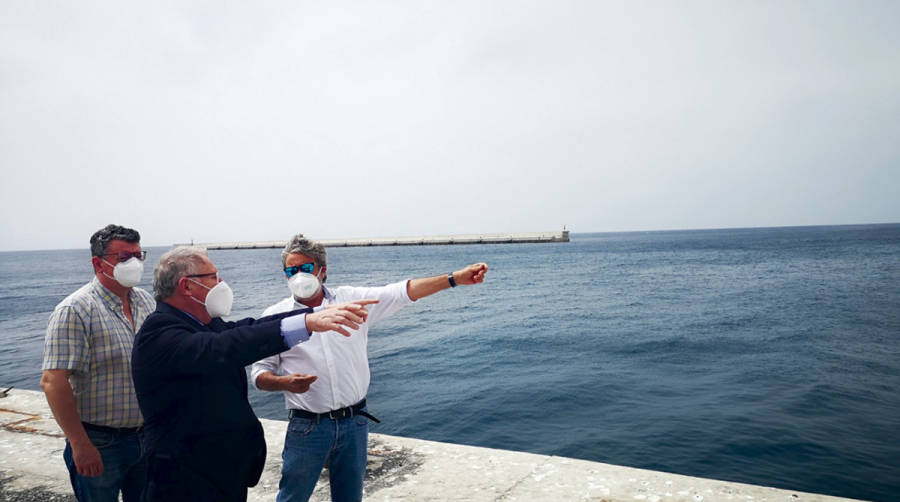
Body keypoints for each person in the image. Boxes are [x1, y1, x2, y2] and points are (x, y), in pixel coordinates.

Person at [251, 234, 488, 502]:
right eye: (290, 271)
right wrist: (284, 383)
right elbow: (259, 374)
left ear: (322, 270)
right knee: (293, 496)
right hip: (308, 426)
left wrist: (454, 279)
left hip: (355, 423)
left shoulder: (352, 300)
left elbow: (402, 292)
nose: (298, 276)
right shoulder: (274, 317)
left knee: (350, 497)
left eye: (305, 268)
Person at [131, 246, 375, 502]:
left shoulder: (205, 325)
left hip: (221, 473)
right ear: (187, 286)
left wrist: (315, 314)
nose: (221, 283)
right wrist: (306, 323)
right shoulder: (158, 332)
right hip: (183, 479)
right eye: (213, 277)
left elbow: (248, 327)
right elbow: (225, 347)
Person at [41, 224, 154, 502]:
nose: (135, 263)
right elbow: (53, 381)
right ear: (98, 263)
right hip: (101, 441)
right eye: (124, 257)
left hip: (146, 437)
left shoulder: (147, 302)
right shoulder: (76, 310)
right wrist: (80, 444)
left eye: (139, 256)